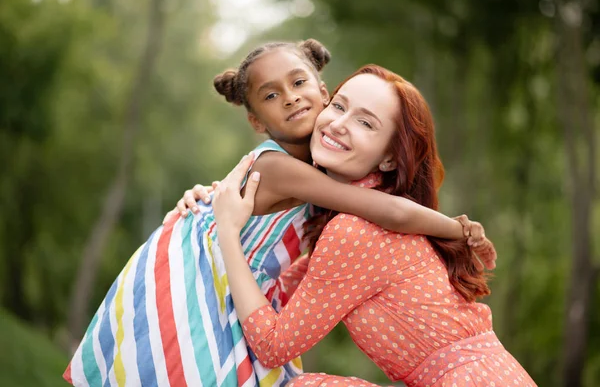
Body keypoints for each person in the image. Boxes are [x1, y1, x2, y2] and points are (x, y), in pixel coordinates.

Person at [64, 40, 493, 387]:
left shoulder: (315, 170)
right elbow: (390, 211)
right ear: (256, 121)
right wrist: (457, 229)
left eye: (298, 83)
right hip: (195, 278)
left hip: (224, 279)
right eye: (271, 96)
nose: (290, 99)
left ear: (324, 92)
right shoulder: (278, 167)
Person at [209, 64, 535, 386]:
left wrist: (227, 231)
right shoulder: (357, 222)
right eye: (338, 106)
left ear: (389, 159)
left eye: (365, 122)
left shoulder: (355, 233)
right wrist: (204, 208)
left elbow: (272, 345)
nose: (338, 124)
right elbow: (277, 291)